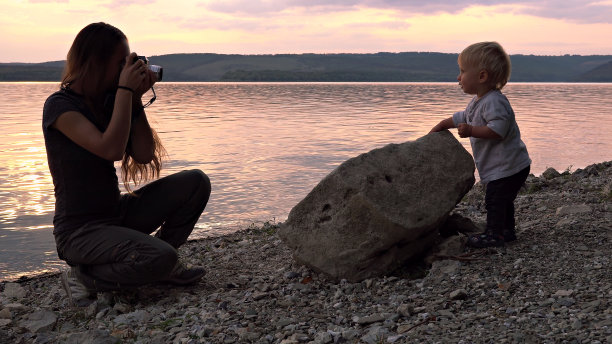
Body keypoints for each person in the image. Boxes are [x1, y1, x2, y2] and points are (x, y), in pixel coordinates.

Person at [43, 22, 211, 306]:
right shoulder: (60, 106)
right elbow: (110, 149)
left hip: (116, 214)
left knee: (195, 182)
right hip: (79, 232)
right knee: (161, 256)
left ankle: (160, 266)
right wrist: (124, 90)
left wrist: (134, 99)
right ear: (95, 63)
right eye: (121, 62)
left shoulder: (110, 101)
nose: (127, 68)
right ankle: (83, 278)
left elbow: (144, 153)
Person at [430, 41, 531, 248]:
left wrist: (471, 131)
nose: (458, 77)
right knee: (502, 201)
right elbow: (463, 116)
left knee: (495, 201)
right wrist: (443, 124)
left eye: (463, 71)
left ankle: (494, 234)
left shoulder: (495, 101)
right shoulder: (478, 101)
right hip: (505, 166)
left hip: (508, 167)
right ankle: (507, 231)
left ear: (482, 76)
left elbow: (497, 130)